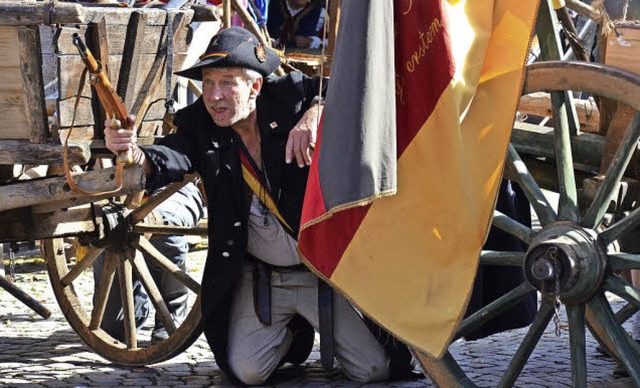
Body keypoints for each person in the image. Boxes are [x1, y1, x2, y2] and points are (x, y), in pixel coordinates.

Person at [104, 27, 412, 385]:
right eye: (208, 82)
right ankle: (291, 334)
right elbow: (171, 155)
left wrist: (316, 114)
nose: (215, 96)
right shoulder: (199, 124)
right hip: (263, 278)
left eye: (227, 83)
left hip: (321, 275)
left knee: (375, 370)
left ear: (255, 87)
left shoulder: (290, 96)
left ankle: (307, 324)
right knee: (249, 373)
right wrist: (133, 153)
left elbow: (341, 90)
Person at [93, 182, 205, 343]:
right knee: (113, 329)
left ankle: (171, 313)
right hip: (112, 193)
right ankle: (136, 306)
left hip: (177, 184)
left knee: (165, 225)